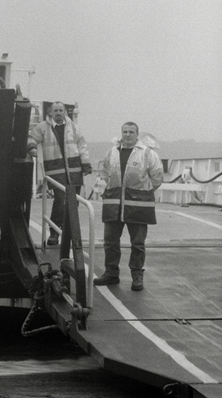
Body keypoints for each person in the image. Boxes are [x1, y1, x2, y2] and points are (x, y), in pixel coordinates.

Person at [94, 122, 164, 291]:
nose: (127, 135)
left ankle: (137, 276)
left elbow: (157, 177)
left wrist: (142, 192)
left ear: (137, 134)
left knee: (138, 243)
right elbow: (104, 172)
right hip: (114, 204)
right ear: (121, 133)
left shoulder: (148, 153)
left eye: (131, 132)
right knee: (110, 241)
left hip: (138, 206)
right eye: (125, 132)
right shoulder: (111, 152)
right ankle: (111, 273)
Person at [28, 101, 92, 245]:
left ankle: (71, 235)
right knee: (60, 203)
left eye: (60, 110)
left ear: (65, 112)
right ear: (50, 112)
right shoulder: (43, 127)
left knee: (73, 205)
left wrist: (86, 164)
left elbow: (82, 145)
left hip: (75, 172)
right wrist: (31, 147)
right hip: (56, 174)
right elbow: (31, 138)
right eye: (55, 110)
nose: (58, 113)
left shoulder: (74, 128)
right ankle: (54, 233)